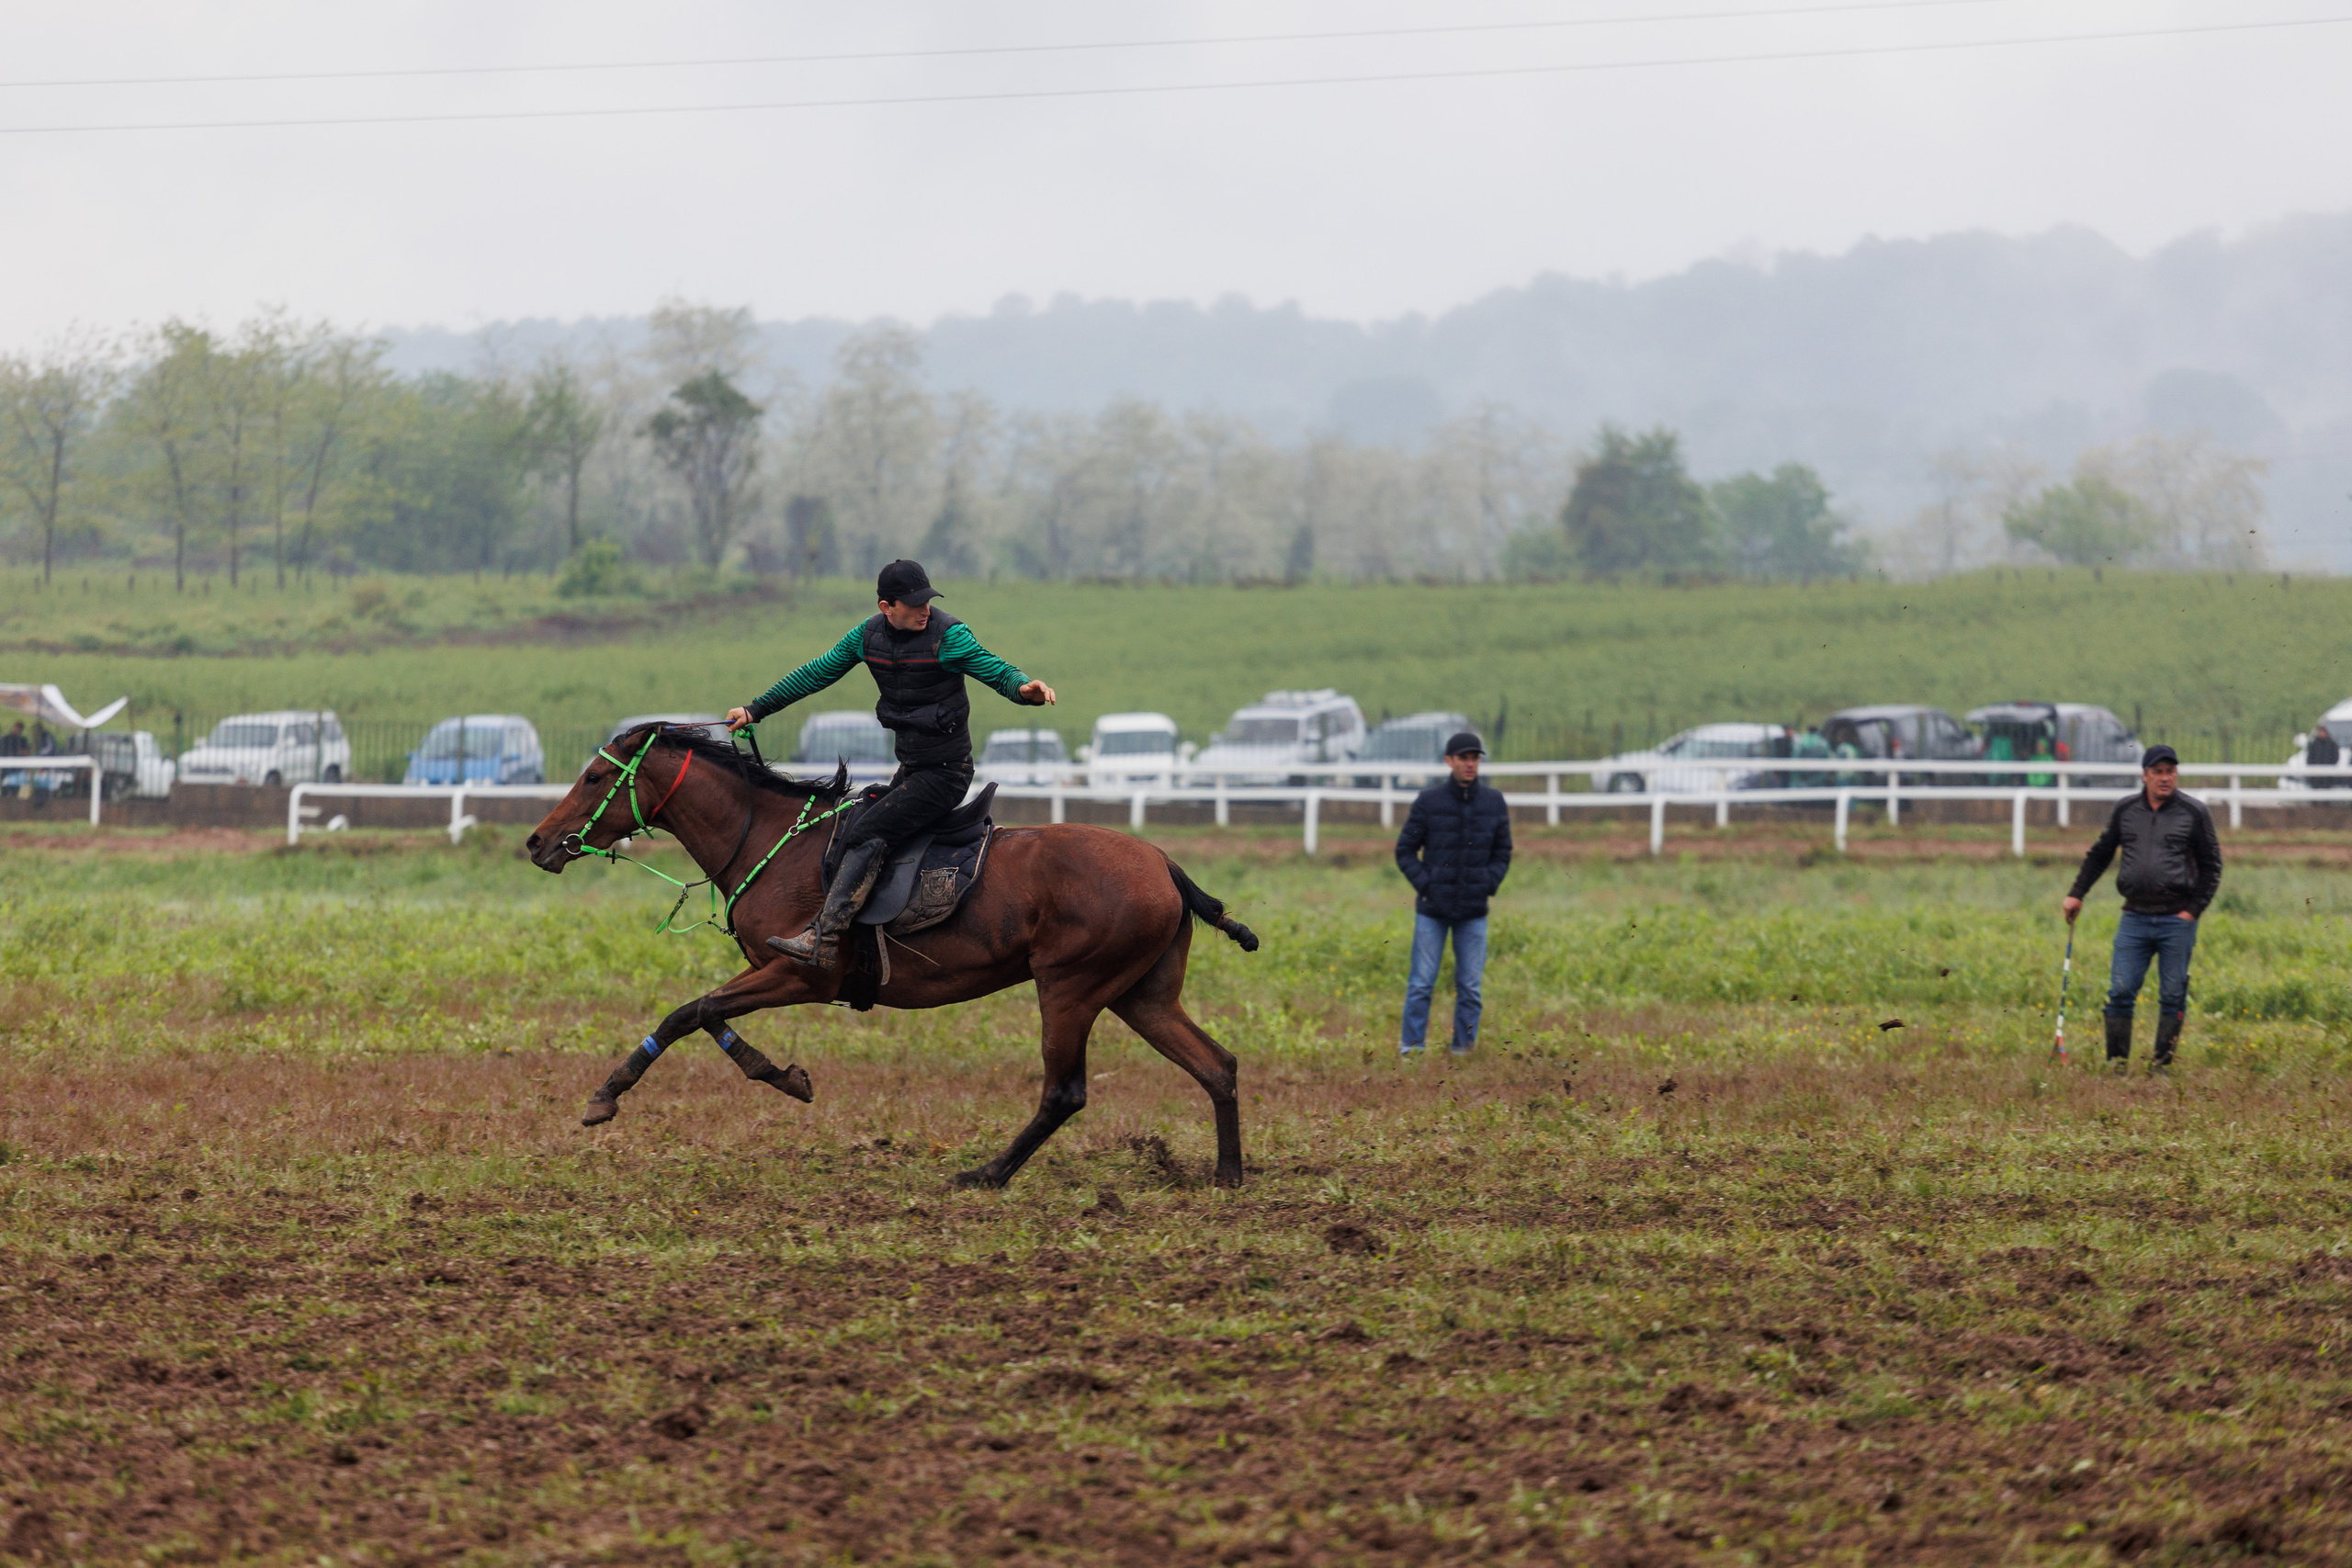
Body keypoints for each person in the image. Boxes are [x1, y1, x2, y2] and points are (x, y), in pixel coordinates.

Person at [724, 559, 1056, 966]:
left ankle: (824, 939)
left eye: (928, 601)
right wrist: (756, 709)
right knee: (850, 826)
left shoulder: (949, 636)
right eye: (914, 604)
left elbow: (995, 669)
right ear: (887, 607)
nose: (925, 610)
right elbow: (815, 674)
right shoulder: (865, 637)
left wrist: (1025, 689)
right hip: (912, 771)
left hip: (946, 775)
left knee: (869, 831)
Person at [2062, 744, 2222, 1074]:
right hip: (2133, 916)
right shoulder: (2126, 811)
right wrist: (2077, 893)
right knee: (2120, 990)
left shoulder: (2194, 813)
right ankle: (2117, 1064)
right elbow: (2101, 853)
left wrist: (2193, 910)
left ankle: (2160, 1066)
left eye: (2171, 771)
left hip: (2177, 919)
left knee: (2173, 993)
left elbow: (2212, 866)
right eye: (2158, 772)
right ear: (2145, 775)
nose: (2165, 778)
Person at [1393, 730, 1513, 1055]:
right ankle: (1411, 1051)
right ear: (1449, 761)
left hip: (1474, 911)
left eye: (1475, 758)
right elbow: (1405, 850)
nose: (1470, 764)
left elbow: (1503, 853)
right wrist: (1427, 884)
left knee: (1470, 988)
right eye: (1464, 758)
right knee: (1421, 985)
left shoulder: (1493, 802)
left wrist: (1488, 883)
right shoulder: (1429, 802)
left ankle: (1463, 1050)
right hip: (1432, 910)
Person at [2308, 722, 2340, 792]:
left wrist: (2331, 766)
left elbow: (2335, 757)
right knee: (2315, 792)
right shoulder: (2314, 744)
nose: (2320, 733)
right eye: (2319, 731)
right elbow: (2310, 758)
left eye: (2322, 731)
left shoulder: (2332, 744)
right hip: (2315, 774)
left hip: (2328, 775)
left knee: (2326, 792)